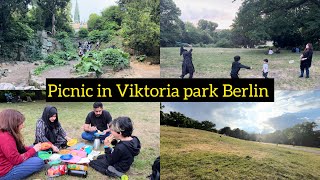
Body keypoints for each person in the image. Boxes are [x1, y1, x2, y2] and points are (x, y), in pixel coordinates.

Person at [0, 109, 44, 179]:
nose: (22, 126)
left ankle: (31, 162)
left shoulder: (6, 133)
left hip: (10, 162)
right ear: (12, 123)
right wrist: (33, 150)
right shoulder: (6, 138)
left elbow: (19, 149)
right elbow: (16, 160)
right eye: (21, 123)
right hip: (6, 173)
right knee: (38, 162)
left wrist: (34, 148)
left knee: (33, 148)